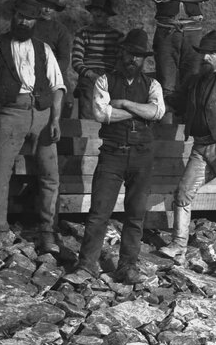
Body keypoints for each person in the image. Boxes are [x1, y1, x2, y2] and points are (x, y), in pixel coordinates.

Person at [69, 29, 164, 286]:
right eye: (130, 54)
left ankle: (127, 266)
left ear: (145, 60)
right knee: (99, 212)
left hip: (142, 156)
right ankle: (87, 264)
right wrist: (139, 112)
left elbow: (157, 112)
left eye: (139, 56)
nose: (133, 60)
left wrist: (124, 105)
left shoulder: (152, 84)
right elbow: (101, 113)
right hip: (112, 154)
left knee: (135, 214)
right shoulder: (105, 80)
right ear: (123, 53)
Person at [0, 0, 65, 252]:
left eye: (30, 18)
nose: (25, 22)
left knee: (50, 176)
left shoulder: (43, 48)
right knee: (0, 173)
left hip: (43, 114)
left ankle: (47, 233)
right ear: (13, 16)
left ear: (36, 21)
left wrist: (55, 119)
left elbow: (58, 87)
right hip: (12, 113)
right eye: (21, 17)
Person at [161, 31, 216, 276]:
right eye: (202, 53)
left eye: (211, 53)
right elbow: (176, 103)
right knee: (183, 193)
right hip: (200, 147)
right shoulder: (194, 82)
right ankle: (178, 244)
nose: (205, 57)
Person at [70, 0, 123, 116]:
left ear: (108, 14)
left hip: (110, 75)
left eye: (102, 11)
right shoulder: (82, 33)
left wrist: (110, 77)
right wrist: (91, 74)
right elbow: (76, 61)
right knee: (87, 103)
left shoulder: (117, 36)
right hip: (88, 75)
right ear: (91, 12)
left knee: (111, 107)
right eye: (96, 10)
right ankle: (86, 130)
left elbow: (120, 60)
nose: (99, 13)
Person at [30, 0, 76, 114]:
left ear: (55, 9)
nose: (47, 9)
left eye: (51, 6)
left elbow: (65, 58)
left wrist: (50, 72)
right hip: (29, 68)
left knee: (67, 101)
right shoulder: (30, 24)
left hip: (54, 71)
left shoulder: (60, 30)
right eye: (44, 5)